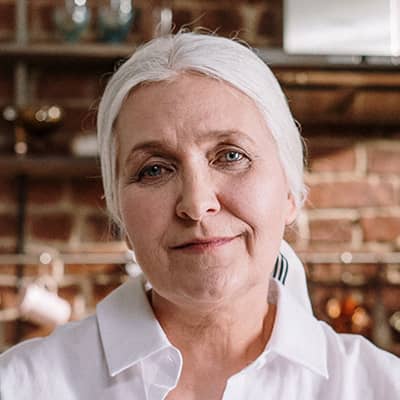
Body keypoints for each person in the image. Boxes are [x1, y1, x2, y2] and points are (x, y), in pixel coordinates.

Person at [0, 32, 399, 400]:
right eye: (154, 169)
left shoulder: (379, 386)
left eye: (231, 156)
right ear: (119, 212)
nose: (196, 203)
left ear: (290, 191)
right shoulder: (23, 385)